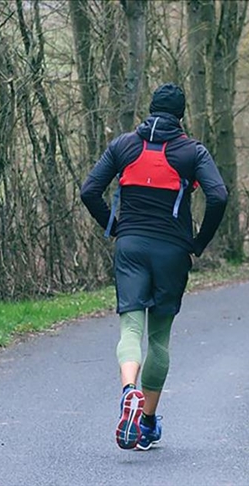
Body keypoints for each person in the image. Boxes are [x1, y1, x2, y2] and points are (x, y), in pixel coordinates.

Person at [80, 83, 228, 450]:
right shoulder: (193, 151)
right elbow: (218, 195)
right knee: (159, 338)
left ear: (150, 110)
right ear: (181, 116)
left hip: (130, 246)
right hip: (172, 252)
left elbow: (88, 191)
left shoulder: (124, 145)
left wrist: (114, 226)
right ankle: (146, 423)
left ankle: (128, 390)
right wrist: (199, 242)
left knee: (130, 327)